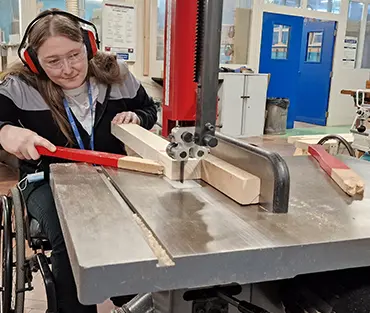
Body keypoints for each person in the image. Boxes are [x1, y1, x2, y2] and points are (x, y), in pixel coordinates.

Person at [0, 8, 157, 313]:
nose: (68, 68)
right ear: (34, 62)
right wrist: (6, 132)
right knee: (67, 233)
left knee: (141, 222)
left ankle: (132, 300)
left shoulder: (118, 76)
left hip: (113, 175)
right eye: (53, 61)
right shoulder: (19, 86)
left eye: (75, 55)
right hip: (44, 180)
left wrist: (138, 117)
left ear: (89, 46)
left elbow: (149, 110)